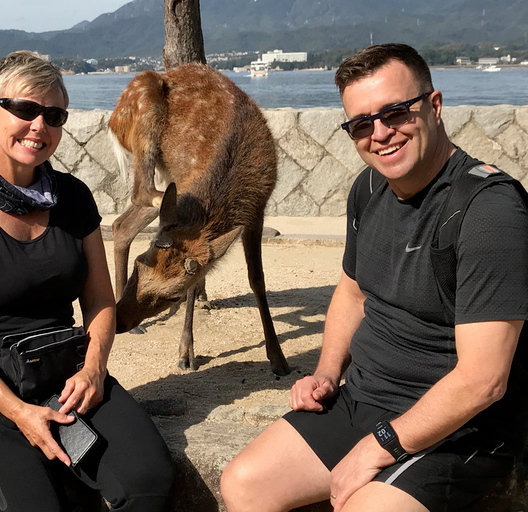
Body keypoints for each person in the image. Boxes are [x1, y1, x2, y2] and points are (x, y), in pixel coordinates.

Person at [220, 43, 528, 512]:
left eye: (396, 113)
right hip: (362, 398)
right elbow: (353, 290)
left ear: (435, 105)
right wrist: (325, 373)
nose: (381, 134)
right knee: (244, 484)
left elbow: (483, 381)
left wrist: (375, 447)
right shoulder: (368, 188)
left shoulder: (489, 210)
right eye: (362, 123)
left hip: (459, 426)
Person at [0, 51, 174, 512]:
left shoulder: (72, 197)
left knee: (149, 483)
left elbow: (99, 301)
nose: (39, 126)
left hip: (65, 370)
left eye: (53, 115)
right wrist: (20, 413)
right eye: (25, 109)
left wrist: (93, 370)